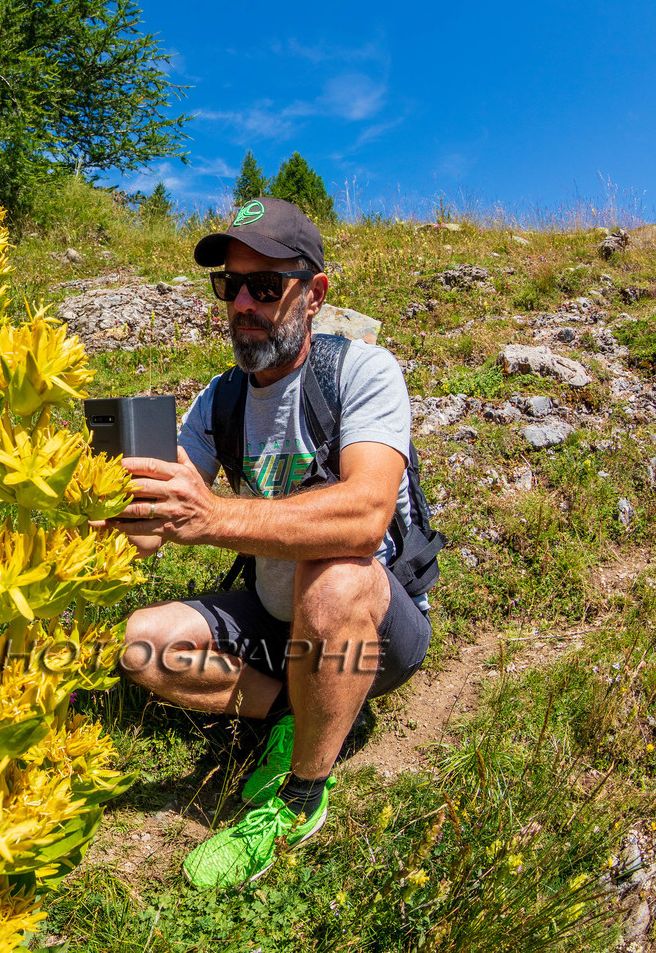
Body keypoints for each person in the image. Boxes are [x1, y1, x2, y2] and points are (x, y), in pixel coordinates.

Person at [104, 196, 433, 889]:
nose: (242, 303)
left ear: (313, 295)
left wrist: (212, 517)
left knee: (336, 574)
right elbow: (160, 521)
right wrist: (113, 510)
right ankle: (299, 708)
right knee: (140, 644)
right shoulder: (218, 400)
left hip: (370, 625)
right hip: (275, 620)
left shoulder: (361, 374)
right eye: (229, 284)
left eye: (265, 286)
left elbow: (366, 515)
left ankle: (299, 797)